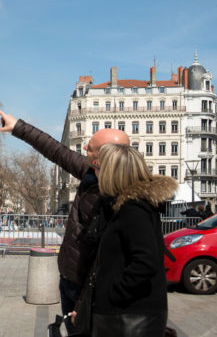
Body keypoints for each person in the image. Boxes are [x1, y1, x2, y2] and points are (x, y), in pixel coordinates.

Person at [0, 108, 129, 336]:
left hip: (87, 292)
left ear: (102, 159)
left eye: (90, 147)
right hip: (68, 278)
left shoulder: (123, 199)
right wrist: (18, 126)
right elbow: (56, 150)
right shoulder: (89, 171)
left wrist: (84, 304)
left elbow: (105, 261)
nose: (84, 148)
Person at [84, 144, 177, 336]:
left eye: (98, 167)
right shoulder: (126, 207)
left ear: (112, 173)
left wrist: (111, 295)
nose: (95, 172)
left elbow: (145, 263)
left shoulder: (133, 210)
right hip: (127, 313)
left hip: (127, 317)